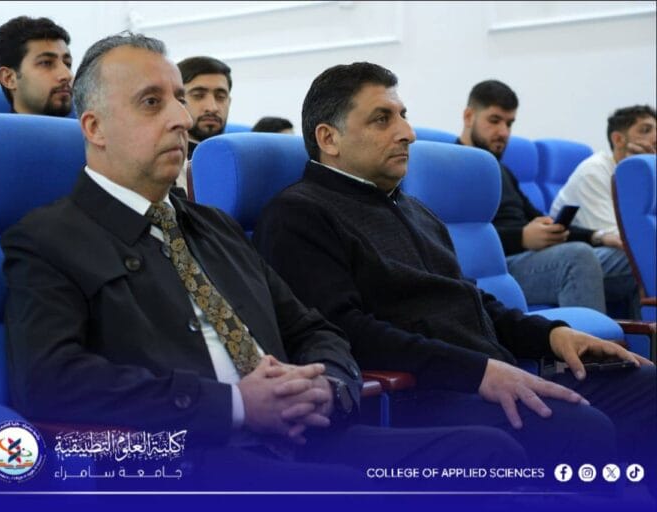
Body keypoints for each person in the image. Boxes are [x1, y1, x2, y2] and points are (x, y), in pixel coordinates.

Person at [0, 34, 524, 491]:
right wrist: (235, 405)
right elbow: (50, 380)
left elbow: (314, 328)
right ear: (95, 127)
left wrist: (325, 387)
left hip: (303, 439)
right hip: (196, 461)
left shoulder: (215, 227)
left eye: (179, 99)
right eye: (152, 103)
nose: (183, 119)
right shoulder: (48, 239)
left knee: (486, 455)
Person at [253, 62, 656, 473]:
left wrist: (553, 335)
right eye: (382, 119)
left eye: (403, 115)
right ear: (329, 138)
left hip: (485, 373)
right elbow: (345, 332)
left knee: (646, 386)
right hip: (423, 394)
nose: (407, 133)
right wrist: (477, 371)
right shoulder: (298, 215)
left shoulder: (414, 210)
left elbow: (471, 302)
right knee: (578, 428)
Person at [458, 80, 637, 315]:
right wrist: (522, 238)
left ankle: (644, 337)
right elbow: (457, 238)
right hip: (494, 268)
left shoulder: (501, 170)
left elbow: (543, 220)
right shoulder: (453, 165)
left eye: (509, 123)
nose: (504, 132)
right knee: (577, 257)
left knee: (636, 255)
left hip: (531, 258)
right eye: (494, 120)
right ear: (469, 116)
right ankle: (589, 340)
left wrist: (598, 236)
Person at [550, 105, 656, 237]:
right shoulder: (593, 172)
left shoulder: (642, 175)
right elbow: (614, 236)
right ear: (618, 139)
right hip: (582, 243)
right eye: (646, 130)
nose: (655, 138)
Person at [0, 16, 73, 116]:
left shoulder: (85, 124)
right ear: (9, 78)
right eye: (46, 63)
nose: (67, 75)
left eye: (67, 64)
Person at [177, 56, 232, 159]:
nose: (212, 108)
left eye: (220, 97)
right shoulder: (160, 161)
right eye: (198, 95)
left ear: (229, 102)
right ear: (177, 101)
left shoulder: (238, 156)